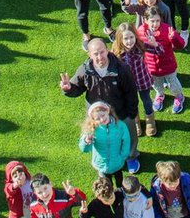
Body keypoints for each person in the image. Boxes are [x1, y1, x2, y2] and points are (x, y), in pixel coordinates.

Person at [60, 37, 141, 174]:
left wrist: (131, 114)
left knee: (129, 135)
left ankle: (131, 156)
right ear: (89, 55)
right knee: (100, 138)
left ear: (107, 50)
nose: (99, 57)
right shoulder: (84, 70)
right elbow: (76, 88)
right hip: (96, 116)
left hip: (121, 112)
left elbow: (131, 93)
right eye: (95, 54)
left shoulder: (121, 69)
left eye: (102, 52)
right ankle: (105, 159)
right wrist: (68, 89)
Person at [80, 101, 131, 177]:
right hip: (101, 165)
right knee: (105, 185)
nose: (101, 120)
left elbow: (126, 142)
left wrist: (122, 156)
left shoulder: (120, 126)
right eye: (97, 118)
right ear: (93, 119)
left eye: (103, 115)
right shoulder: (91, 130)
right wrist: (86, 142)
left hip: (117, 163)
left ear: (107, 111)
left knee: (119, 182)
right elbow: (84, 149)